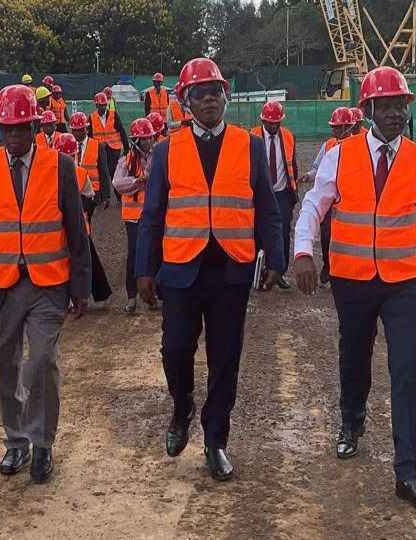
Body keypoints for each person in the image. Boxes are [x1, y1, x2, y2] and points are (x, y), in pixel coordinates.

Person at [293, 66, 416, 515]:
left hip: (406, 283)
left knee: (407, 369)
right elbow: (314, 204)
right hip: (352, 281)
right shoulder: (340, 155)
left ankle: (408, 472)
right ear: (367, 110)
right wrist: (303, 250)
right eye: (384, 106)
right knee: (354, 354)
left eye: (400, 106)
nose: (393, 114)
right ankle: (351, 423)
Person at [136, 58, 284, 481]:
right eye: (199, 94)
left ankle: (215, 439)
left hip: (230, 271)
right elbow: (152, 214)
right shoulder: (167, 151)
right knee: (175, 350)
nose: (209, 100)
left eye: (215, 92)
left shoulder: (249, 145)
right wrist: (144, 269)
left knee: (225, 359)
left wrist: (276, 257)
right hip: (181, 270)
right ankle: (181, 406)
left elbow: (267, 209)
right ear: (185, 101)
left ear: (225, 97)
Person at [0, 84, 91, 485]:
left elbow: (77, 232)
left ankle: (42, 441)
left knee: (41, 361)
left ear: (34, 126)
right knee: (5, 366)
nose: (14, 137)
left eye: (21, 128)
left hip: (48, 286)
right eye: (7, 129)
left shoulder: (60, 167)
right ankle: (16, 441)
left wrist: (81, 287)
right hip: (0, 287)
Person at [55, 133, 112, 304]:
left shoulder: (79, 173)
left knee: (83, 262)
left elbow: (89, 199)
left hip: (77, 227)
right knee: (81, 262)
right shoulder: (75, 173)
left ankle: (90, 295)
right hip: (66, 228)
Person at [249, 101, 298, 290]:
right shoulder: (252, 137)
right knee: (259, 233)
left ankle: (279, 272)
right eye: (270, 123)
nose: (274, 127)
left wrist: (292, 194)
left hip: (282, 193)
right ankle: (259, 272)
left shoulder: (288, 136)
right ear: (263, 120)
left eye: (277, 123)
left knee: (283, 233)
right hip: (259, 195)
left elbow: (292, 165)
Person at [304, 107, 354, 286]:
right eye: (333, 127)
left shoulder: (358, 147)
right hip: (329, 201)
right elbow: (317, 167)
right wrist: (309, 176)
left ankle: (346, 271)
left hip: (349, 201)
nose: (334, 131)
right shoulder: (328, 145)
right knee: (326, 236)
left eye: (337, 127)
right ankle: (328, 266)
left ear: (347, 127)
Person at [112, 118, 157, 314]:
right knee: (134, 256)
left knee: (156, 253)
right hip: (133, 216)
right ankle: (132, 297)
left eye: (150, 138)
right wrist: (138, 181)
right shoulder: (126, 160)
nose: (148, 143)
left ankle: (154, 294)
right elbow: (117, 183)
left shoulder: (157, 157)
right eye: (144, 139)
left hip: (153, 215)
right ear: (136, 141)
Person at [69, 111, 112, 222]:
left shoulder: (98, 146)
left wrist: (106, 195)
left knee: (87, 222)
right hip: (73, 191)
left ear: (86, 129)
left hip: (92, 193)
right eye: (75, 130)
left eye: (80, 130)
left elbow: (104, 171)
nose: (77, 133)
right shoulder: (67, 146)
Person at [88, 92, 128, 198]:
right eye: (100, 105)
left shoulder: (114, 115)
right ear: (96, 105)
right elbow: (90, 136)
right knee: (101, 172)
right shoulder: (91, 118)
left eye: (104, 105)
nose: (103, 107)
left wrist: (127, 148)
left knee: (114, 171)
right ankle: (103, 196)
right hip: (99, 149)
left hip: (114, 147)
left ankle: (119, 195)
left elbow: (122, 131)